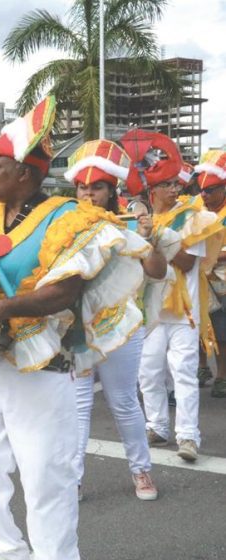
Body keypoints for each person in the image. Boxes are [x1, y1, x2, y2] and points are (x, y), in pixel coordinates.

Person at [0, 97, 143, 560]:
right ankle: (5, 548)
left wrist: (2, 310)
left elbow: (65, 292)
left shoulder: (66, 216)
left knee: (45, 474)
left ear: (24, 171)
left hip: (44, 366)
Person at [67, 139, 171, 501]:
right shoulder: (64, 228)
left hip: (123, 327)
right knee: (77, 407)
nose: (88, 193)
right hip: (78, 330)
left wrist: (148, 239)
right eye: (83, 186)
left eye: (97, 187)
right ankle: (73, 479)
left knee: (124, 401)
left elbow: (157, 271)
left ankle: (141, 471)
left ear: (111, 191)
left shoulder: (128, 227)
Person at [122, 130, 220, 463]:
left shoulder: (195, 217)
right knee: (148, 372)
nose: (175, 189)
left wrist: (158, 236)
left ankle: (188, 436)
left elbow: (187, 261)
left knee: (183, 373)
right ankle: (158, 426)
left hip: (184, 312)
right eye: (166, 185)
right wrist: (142, 235)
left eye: (176, 184)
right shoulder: (138, 220)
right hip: (150, 311)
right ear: (151, 189)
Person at [195, 150, 226, 397]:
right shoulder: (195, 209)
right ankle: (202, 367)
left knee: (222, 330)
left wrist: (212, 255)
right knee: (196, 326)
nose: (204, 194)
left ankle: (222, 377)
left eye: (211, 190)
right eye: (202, 190)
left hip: (222, 278)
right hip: (197, 276)